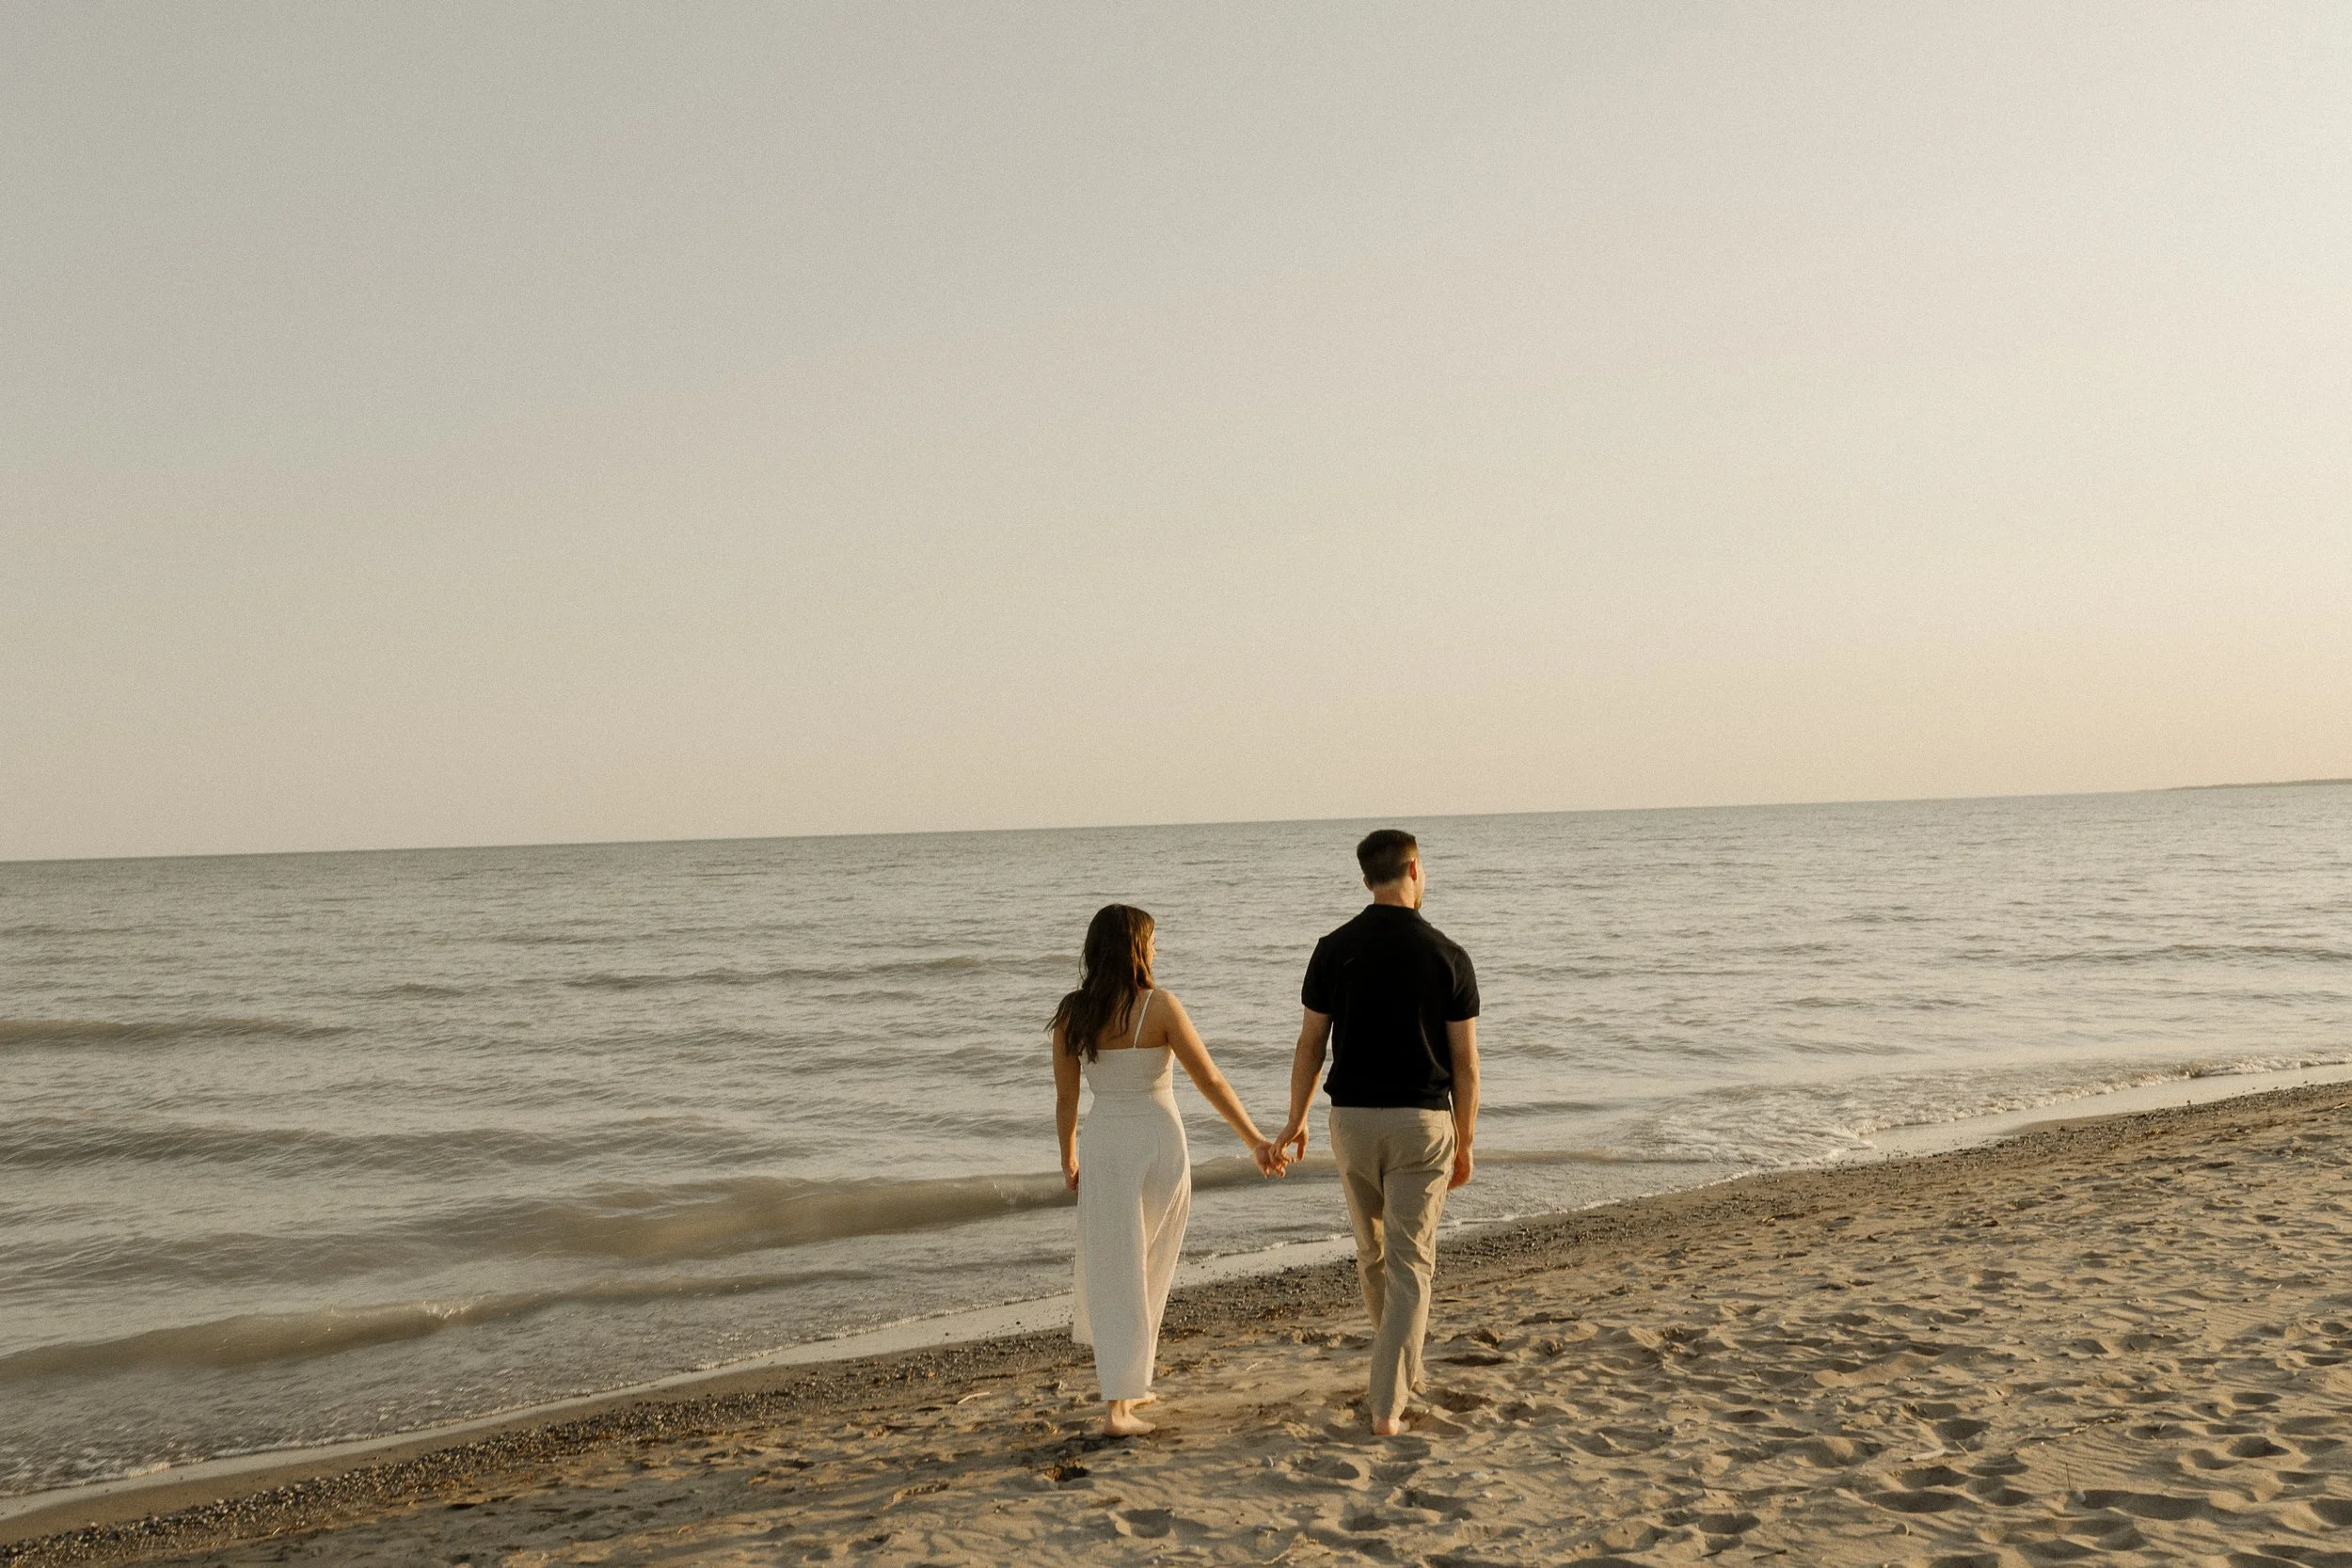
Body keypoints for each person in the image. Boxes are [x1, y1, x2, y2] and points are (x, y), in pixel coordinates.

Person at [1052, 903, 1285, 1437]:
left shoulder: (1073, 1014)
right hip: (1159, 1141)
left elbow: (1066, 1099)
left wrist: (1069, 1156)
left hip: (1107, 1142)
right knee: (1148, 1259)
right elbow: (1211, 1080)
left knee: (1119, 1266)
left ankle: (1129, 1385)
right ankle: (1117, 1410)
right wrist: (1254, 1140)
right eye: (1151, 940)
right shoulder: (1158, 1006)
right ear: (1135, 948)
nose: (1156, 948)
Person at [1276, 829, 1480, 1436]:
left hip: (1353, 1122)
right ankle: (1388, 1407)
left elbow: (1311, 1044)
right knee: (1410, 1263)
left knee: (1374, 1254)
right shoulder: (1447, 954)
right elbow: (1465, 1062)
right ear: (1414, 870)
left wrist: (1296, 1118)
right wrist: (1466, 1140)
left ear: (1367, 879)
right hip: (1422, 1124)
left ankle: (1401, 1370)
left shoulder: (1333, 949)